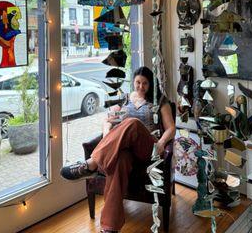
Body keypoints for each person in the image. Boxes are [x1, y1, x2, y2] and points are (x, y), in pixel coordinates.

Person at [60, 66, 176, 233]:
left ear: (151, 84)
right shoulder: (126, 98)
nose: (141, 87)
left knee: (133, 123)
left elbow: (171, 128)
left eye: (145, 83)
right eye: (137, 82)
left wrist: (162, 143)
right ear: (133, 82)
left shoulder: (160, 101)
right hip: (127, 150)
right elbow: (108, 120)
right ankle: (110, 227)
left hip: (149, 148)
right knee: (120, 162)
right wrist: (107, 133)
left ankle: (92, 164)